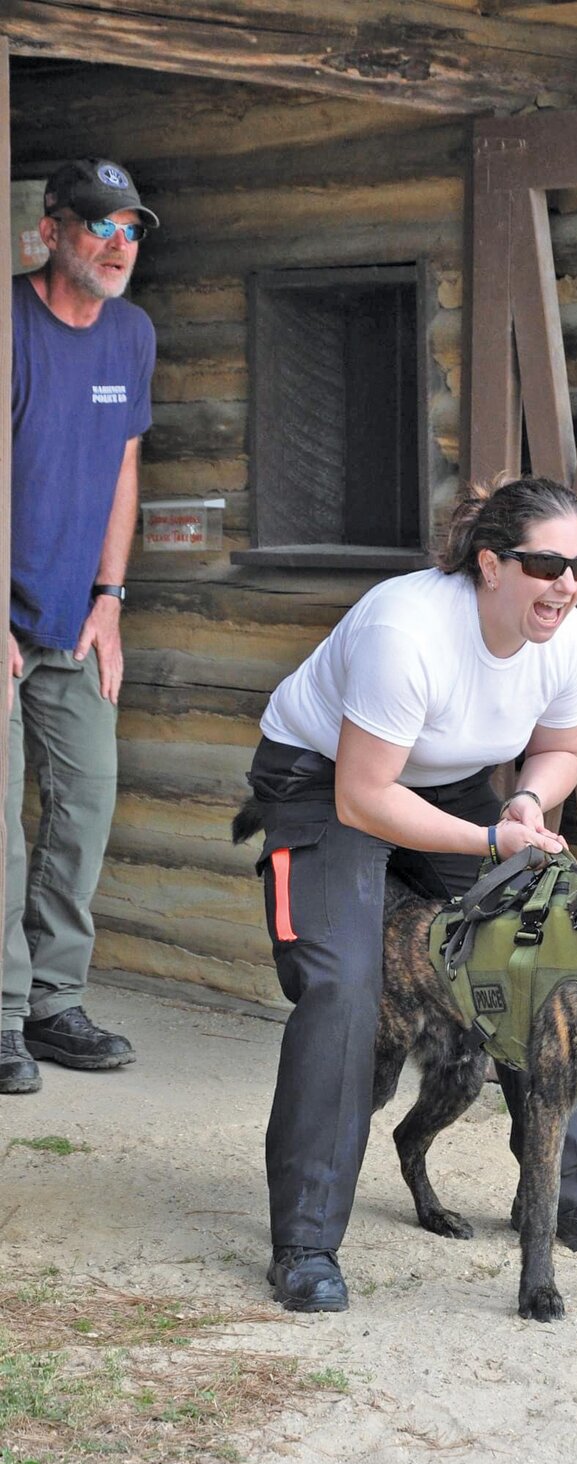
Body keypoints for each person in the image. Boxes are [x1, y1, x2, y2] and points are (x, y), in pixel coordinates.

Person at [244, 475, 577, 1313]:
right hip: (324, 784)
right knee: (344, 985)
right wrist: (491, 840)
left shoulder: (565, 639)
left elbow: (560, 748)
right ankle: (307, 1242)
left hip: (450, 785)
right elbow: (363, 796)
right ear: (490, 565)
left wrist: (526, 801)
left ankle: (565, 1195)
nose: (567, 584)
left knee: (535, 964)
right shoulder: (407, 627)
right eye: (546, 564)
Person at [1, 159, 159, 1095]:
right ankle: (2, 1015)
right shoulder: (8, 323)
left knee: (85, 802)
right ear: (51, 231)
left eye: (131, 228)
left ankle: (56, 1002)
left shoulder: (131, 335)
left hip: (73, 617)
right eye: (99, 225)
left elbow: (123, 465)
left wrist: (111, 598)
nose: (116, 244)